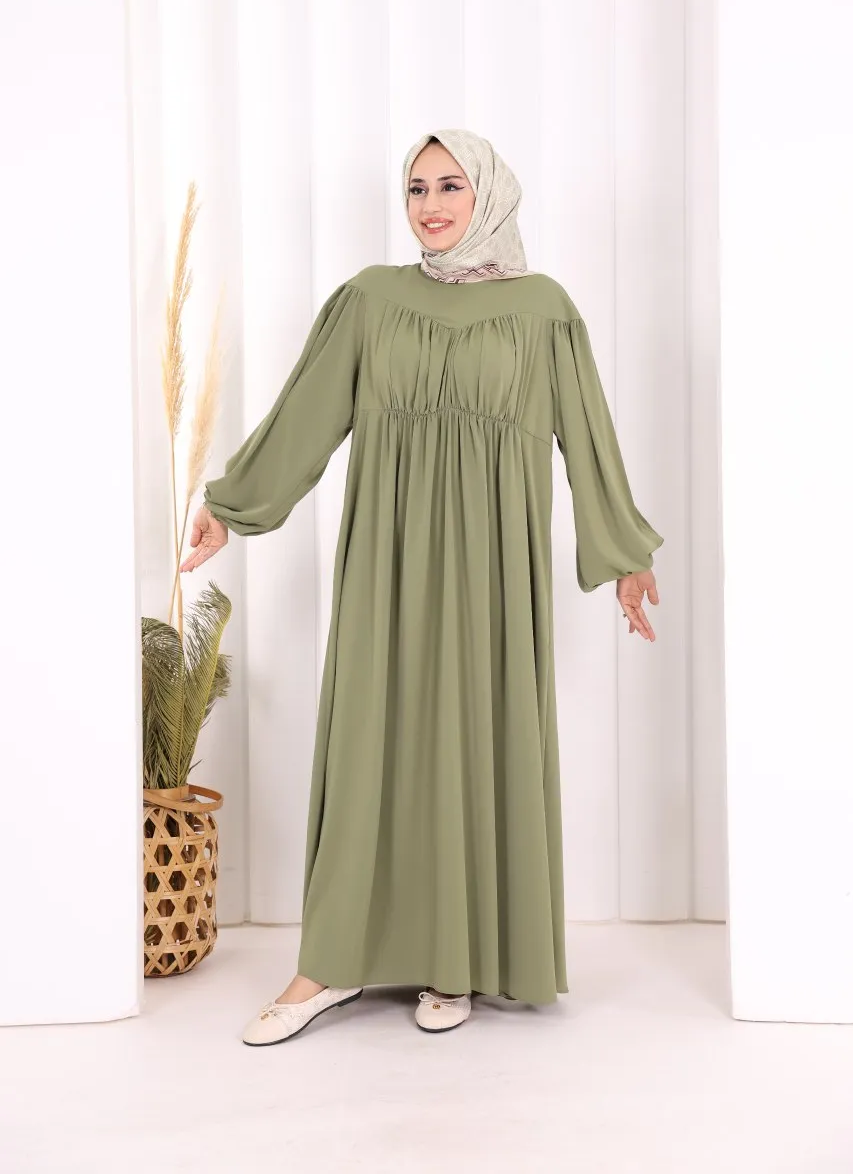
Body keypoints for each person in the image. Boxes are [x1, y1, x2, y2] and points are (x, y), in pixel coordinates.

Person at [179, 128, 664, 1045]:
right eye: (415, 188)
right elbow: (305, 415)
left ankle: (455, 959)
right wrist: (231, 506)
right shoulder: (370, 299)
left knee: (473, 737)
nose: (430, 205)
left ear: (488, 195)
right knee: (371, 734)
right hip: (388, 560)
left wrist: (624, 553)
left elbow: (587, 438)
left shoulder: (543, 309)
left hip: (493, 566)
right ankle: (324, 966)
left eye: (449, 186)